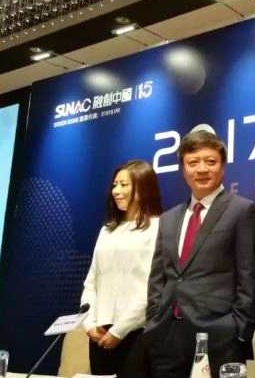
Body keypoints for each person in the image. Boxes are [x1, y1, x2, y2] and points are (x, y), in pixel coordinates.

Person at [145, 130, 255, 378]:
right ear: (183, 169)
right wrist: (154, 318)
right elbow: (159, 276)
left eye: (210, 161)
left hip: (220, 337)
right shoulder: (169, 218)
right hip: (168, 335)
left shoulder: (242, 210)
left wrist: (237, 329)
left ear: (223, 167)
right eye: (193, 162)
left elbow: (249, 276)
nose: (202, 169)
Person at [81, 159, 163, 376]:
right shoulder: (106, 230)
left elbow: (152, 288)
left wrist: (119, 330)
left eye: (124, 185)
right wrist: (89, 323)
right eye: (115, 185)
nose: (116, 191)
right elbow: (91, 281)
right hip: (99, 334)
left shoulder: (158, 227)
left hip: (136, 333)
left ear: (144, 187)